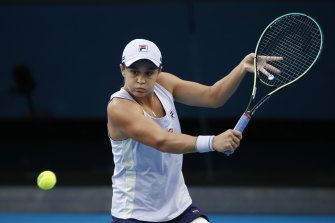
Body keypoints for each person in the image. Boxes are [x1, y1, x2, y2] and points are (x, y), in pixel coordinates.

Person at [107, 39, 281, 223]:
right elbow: (162, 141)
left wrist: (241, 68)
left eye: (149, 73)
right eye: (134, 72)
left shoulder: (165, 84)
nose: (141, 80)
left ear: (159, 72)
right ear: (122, 69)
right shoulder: (119, 107)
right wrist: (212, 142)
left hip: (178, 207)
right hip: (135, 214)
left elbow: (213, 97)